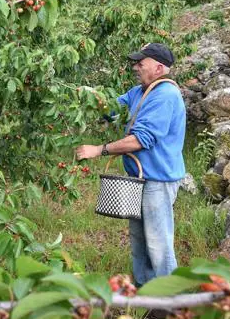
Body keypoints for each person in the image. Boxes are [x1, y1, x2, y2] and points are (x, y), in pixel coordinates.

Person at [76, 43, 186, 287]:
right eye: (135, 62)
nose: (135, 67)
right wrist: (87, 97)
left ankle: (169, 301)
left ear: (158, 67)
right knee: (139, 240)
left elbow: (141, 140)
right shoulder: (139, 91)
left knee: (158, 244)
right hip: (139, 178)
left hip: (158, 180)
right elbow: (113, 110)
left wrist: (99, 150)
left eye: (140, 63)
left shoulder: (166, 95)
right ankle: (146, 291)